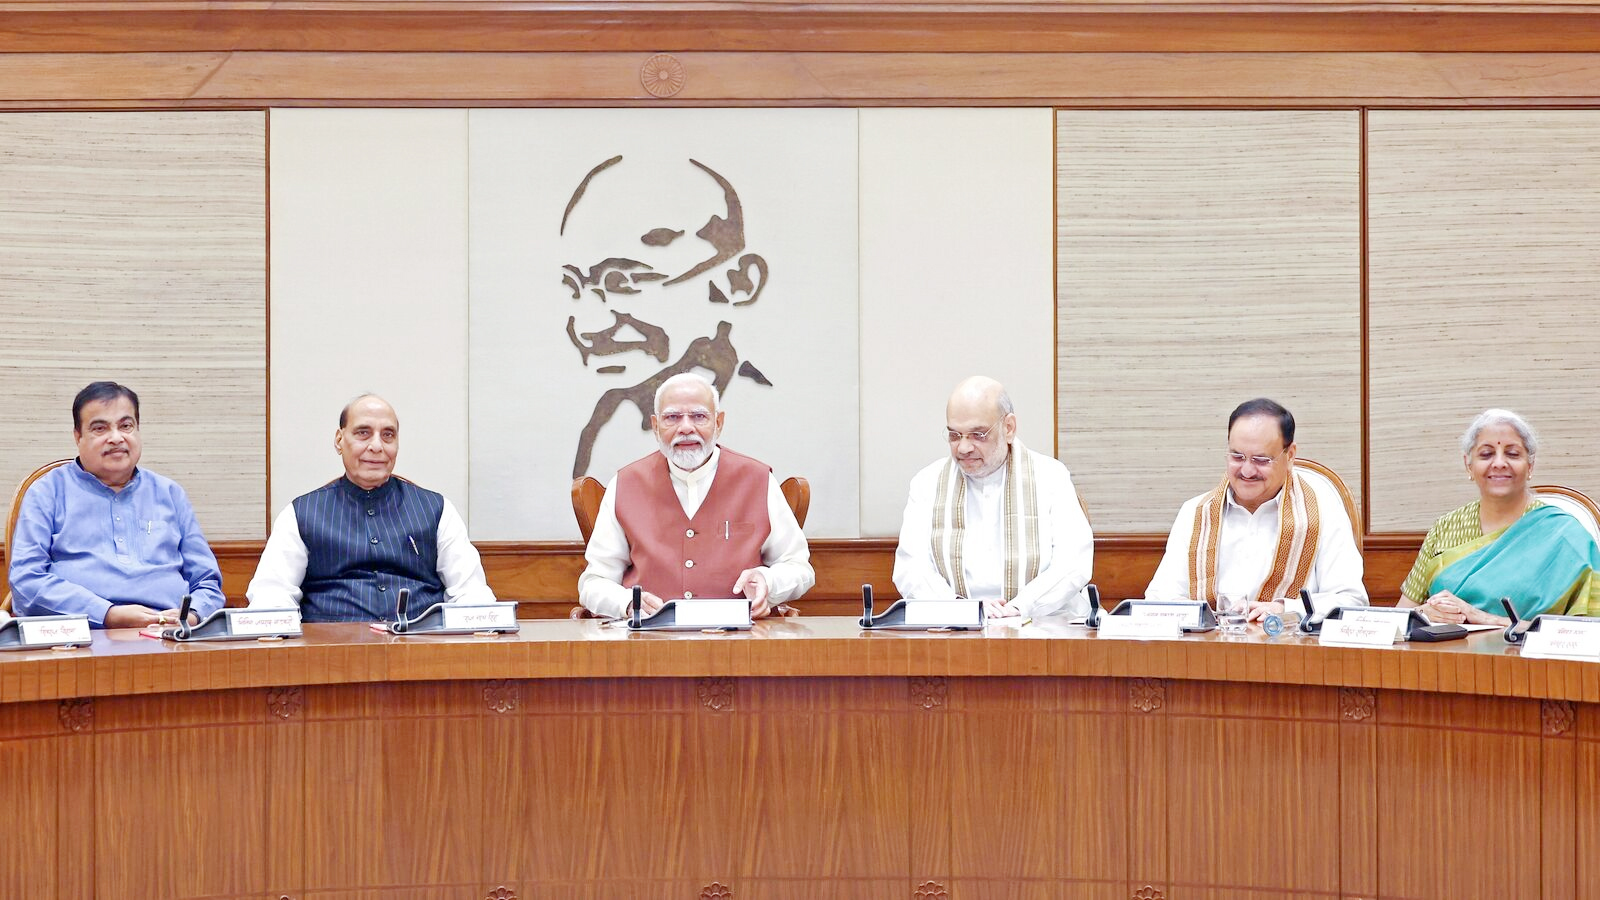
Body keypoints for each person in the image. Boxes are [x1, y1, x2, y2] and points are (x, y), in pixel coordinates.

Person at [577, 372, 813, 619]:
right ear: (655, 426)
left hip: (739, 637)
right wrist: (627, 603)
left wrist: (768, 581)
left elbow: (799, 568)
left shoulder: (758, 480)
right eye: (672, 417)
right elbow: (594, 582)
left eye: (699, 416)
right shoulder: (625, 484)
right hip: (649, 638)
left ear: (718, 423)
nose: (686, 428)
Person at [246, 394, 495, 622]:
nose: (377, 446)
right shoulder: (300, 514)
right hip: (331, 650)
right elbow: (272, 595)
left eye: (388, 435)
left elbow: (470, 593)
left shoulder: (437, 510)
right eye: (363, 433)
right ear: (339, 440)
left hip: (421, 648)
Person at [9, 381, 224, 628]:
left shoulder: (170, 494)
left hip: (170, 635)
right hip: (84, 634)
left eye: (126, 426)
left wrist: (190, 616)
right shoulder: (47, 492)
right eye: (100, 428)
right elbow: (27, 581)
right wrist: (107, 614)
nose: (116, 438)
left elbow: (207, 583)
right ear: (78, 436)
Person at [1145, 398, 1367, 619]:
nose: (1247, 471)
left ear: (1290, 455)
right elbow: (1160, 599)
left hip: (1288, 640)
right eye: (1237, 457)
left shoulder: (1323, 511)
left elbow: (1351, 600)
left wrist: (1286, 609)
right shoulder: (1195, 513)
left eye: (1261, 459)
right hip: (1210, 641)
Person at [892, 376, 1094, 619]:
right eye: (955, 435)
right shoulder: (927, 483)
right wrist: (961, 609)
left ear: (1008, 428)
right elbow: (910, 568)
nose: (964, 448)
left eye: (978, 434)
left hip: (1043, 621)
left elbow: (1073, 563)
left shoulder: (1050, 476)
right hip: (955, 625)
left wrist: (1019, 607)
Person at [1399, 409, 1600, 625]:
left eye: (1512, 454)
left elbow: (1587, 634)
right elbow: (1399, 618)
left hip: (1522, 649)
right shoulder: (1445, 528)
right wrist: (1422, 614)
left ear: (1530, 465)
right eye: (1486, 454)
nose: (1499, 463)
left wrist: (1485, 619)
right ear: (1469, 465)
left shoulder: (1565, 536)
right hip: (1444, 648)